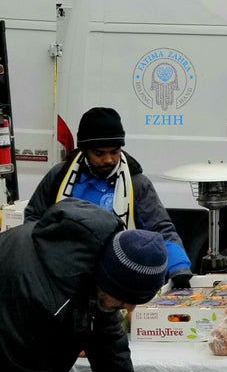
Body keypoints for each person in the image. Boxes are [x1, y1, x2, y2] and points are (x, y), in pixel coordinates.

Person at [0, 199, 168, 372]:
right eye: (125, 300)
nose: (129, 308)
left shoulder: (96, 264)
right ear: (108, 282)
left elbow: (105, 331)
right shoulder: (39, 295)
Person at [25, 107, 192, 287]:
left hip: (118, 278)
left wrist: (179, 268)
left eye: (114, 151)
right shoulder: (59, 176)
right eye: (99, 153)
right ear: (84, 150)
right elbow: (34, 219)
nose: (108, 160)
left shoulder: (137, 183)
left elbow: (160, 228)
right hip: (64, 275)